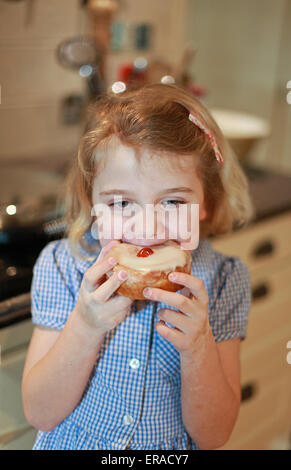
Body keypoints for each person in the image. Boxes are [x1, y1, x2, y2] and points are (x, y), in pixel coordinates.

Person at [22, 83, 254, 450]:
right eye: (121, 204)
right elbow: (39, 412)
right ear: (93, 205)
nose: (147, 230)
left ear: (207, 201)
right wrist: (85, 324)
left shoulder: (225, 279)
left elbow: (215, 435)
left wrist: (198, 348)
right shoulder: (62, 266)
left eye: (173, 202)